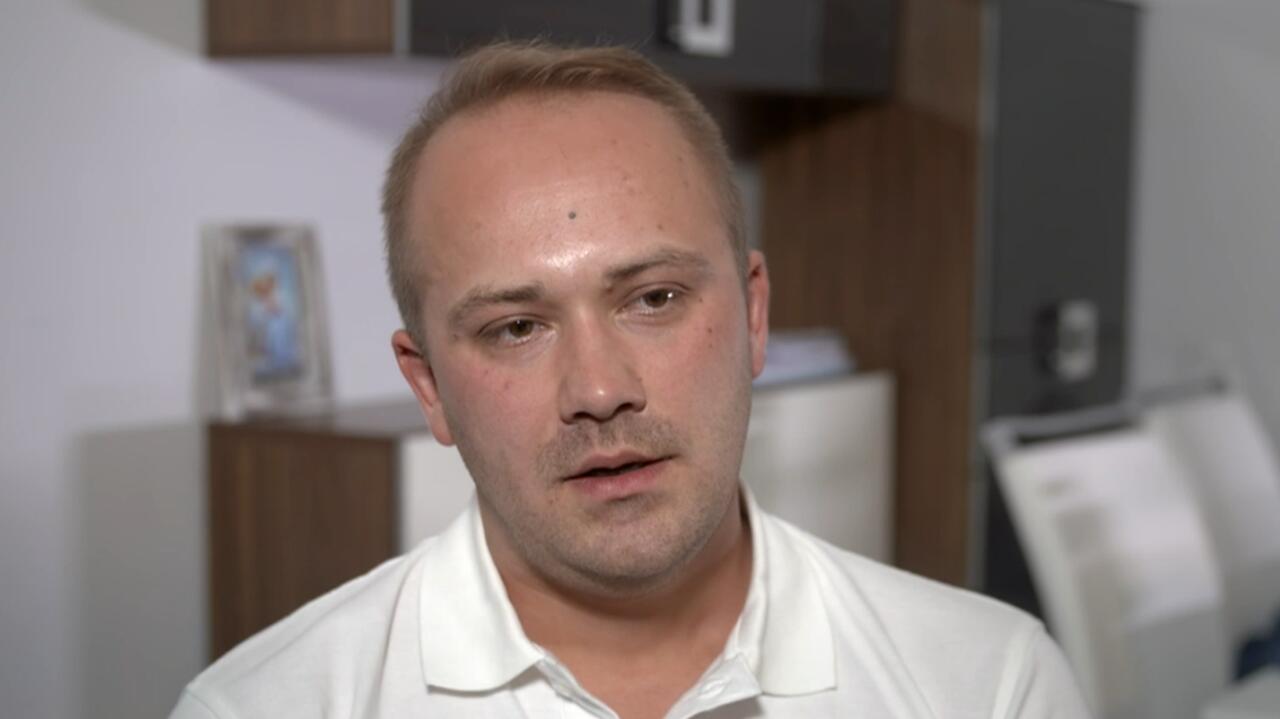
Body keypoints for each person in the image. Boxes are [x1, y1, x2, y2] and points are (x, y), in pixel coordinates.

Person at [170, 42, 1091, 719]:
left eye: (653, 298)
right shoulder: (262, 706)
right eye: (516, 327)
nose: (600, 388)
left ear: (754, 316)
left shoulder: (989, 684)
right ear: (430, 388)